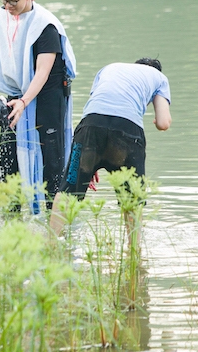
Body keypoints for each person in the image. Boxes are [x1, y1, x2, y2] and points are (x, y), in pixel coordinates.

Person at [0, 0, 76, 213]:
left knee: (51, 164)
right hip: (15, 97)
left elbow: (42, 72)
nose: (8, 7)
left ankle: (53, 226)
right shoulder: (0, 18)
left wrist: (24, 102)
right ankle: (11, 217)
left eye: (13, 1)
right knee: (8, 162)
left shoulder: (45, 26)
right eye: (3, 1)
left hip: (48, 98)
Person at [49, 58, 172, 237]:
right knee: (132, 199)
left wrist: (92, 160)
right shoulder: (159, 78)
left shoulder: (109, 68)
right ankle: (134, 256)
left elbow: (97, 106)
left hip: (90, 128)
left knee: (68, 191)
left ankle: (51, 244)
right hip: (128, 132)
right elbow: (163, 123)